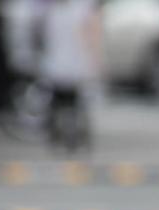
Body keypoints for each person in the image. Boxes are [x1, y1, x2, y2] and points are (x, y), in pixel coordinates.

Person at [39, 0, 102, 152]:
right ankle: (60, 136)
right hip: (59, 63)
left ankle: (75, 137)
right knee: (60, 102)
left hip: (75, 63)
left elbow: (93, 33)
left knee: (75, 103)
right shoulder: (51, 9)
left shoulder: (81, 7)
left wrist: (94, 59)